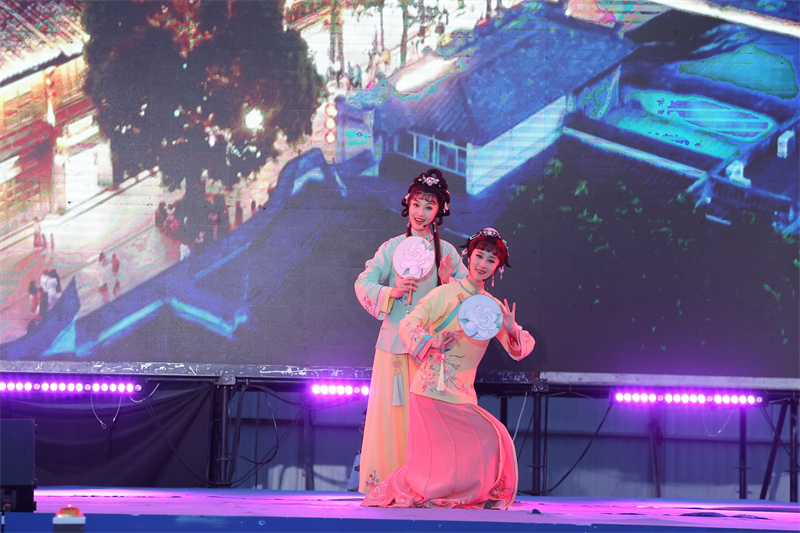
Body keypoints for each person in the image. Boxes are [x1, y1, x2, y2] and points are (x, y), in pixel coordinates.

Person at [362, 228, 535, 510]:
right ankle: (449, 494)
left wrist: (510, 328)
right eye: (479, 256)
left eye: (491, 260)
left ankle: (464, 495)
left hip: (462, 394)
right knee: (485, 438)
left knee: (482, 443)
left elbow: (519, 349)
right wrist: (432, 341)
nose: (483, 264)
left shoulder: (492, 308)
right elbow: (408, 324)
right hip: (431, 390)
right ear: (469, 256)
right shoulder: (445, 294)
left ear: (497, 268)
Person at [354, 168, 468, 495]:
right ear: (408, 203)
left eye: (429, 206)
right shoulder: (392, 248)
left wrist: (446, 281)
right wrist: (391, 290)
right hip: (392, 344)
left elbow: (467, 298)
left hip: (428, 348)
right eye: (417, 204)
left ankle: (426, 484)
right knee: (391, 416)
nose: (420, 212)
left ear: (440, 210)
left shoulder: (447, 253)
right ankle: (387, 485)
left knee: (428, 417)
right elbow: (363, 282)